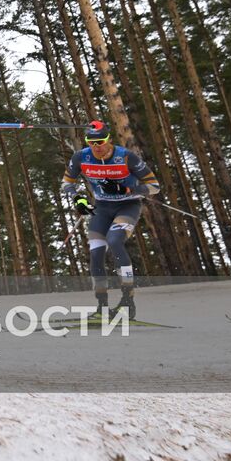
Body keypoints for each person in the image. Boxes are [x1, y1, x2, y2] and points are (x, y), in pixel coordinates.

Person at [61, 120, 161, 317]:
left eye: (100, 142)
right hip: (102, 208)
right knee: (96, 253)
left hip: (127, 206)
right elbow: (66, 183)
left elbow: (154, 186)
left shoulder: (125, 157)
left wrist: (127, 189)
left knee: (115, 240)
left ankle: (127, 302)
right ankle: (102, 306)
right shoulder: (81, 157)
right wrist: (78, 200)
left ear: (109, 139)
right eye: (91, 142)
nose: (96, 147)